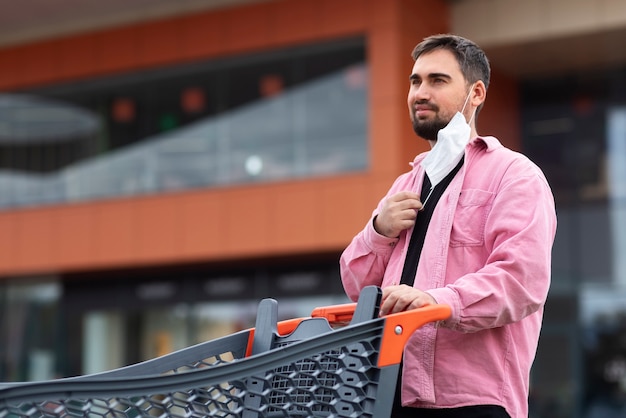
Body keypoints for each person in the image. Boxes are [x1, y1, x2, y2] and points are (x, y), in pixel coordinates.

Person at [339, 34, 557, 418]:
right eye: (415, 81)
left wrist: (437, 302)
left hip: (473, 402)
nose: (420, 92)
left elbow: (521, 280)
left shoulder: (515, 175)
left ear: (476, 93)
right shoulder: (404, 185)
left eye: (437, 80)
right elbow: (359, 288)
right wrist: (379, 230)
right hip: (386, 395)